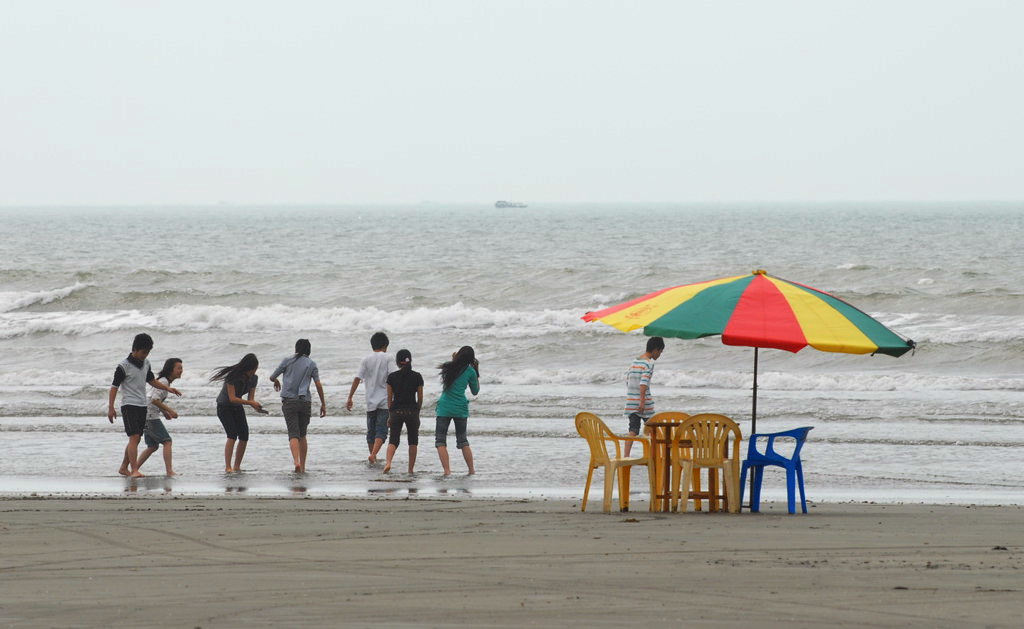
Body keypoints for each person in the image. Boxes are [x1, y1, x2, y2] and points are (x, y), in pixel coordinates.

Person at [107, 333, 181, 478]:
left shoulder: (146, 363)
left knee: (137, 438)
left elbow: (152, 381)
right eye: (143, 352)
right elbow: (114, 387)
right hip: (129, 405)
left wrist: (168, 389)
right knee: (134, 437)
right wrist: (111, 407)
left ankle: (124, 468)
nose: (145, 355)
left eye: (147, 352)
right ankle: (134, 470)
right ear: (134, 349)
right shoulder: (123, 366)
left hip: (142, 405)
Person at [269, 339, 326, 473]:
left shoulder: (287, 360)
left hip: (289, 401)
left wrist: (276, 380)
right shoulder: (312, 364)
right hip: (305, 401)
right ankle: (303, 466)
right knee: (303, 435)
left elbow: (272, 376)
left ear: (296, 349)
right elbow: (318, 384)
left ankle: (296, 462)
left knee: (293, 434)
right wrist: (323, 404)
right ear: (309, 350)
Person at [346, 332, 397, 464]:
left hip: (370, 401)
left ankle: (372, 456)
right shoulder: (388, 357)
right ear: (385, 345)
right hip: (385, 400)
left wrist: (350, 397)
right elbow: (394, 377)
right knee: (382, 431)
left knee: (371, 432)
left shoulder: (366, 359)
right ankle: (374, 454)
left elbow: (358, 378)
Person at [210, 353, 263, 473]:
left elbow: (250, 399)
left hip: (237, 406)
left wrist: (256, 406)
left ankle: (237, 466)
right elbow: (232, 398)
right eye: (255, 368)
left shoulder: (254, 378)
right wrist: (251, 403)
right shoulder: (232, 376)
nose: (255, 370)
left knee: (244, 435)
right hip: (224, 406)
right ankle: (228, 466)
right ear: (248, 367)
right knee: (232, 435)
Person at [434, 346, 480, 476]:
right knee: (462, 440)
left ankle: (447, 470)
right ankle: (471, 470)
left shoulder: (448, 367)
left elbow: (450, 375)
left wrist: (453, 359)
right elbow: (475, 391)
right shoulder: (470, 371)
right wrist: (476, 371)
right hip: (460, 407)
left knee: (440, 440)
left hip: (444, 407)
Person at [137, 357, 183, 476]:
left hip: (147, 414)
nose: (181, 370)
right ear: (170, 370)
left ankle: (134, 468)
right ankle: (169, 471)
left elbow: (152, 399)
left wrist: (164, 412)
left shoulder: (163, 381)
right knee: (167, 441)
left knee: (152, 446)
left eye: (181, 368)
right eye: (178, 368)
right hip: (150, 416)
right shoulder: (163, 382)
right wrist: (170, 411)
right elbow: (154, 400)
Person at [623, 336, 665, 457]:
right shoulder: (648, 364)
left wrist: (633, 397)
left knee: (633, 430)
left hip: (631, 401)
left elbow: (627, 380)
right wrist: (641, 402)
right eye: (660, 352)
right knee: (654, 429)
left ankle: (626, 456)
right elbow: (643, 383)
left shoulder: (634, 361)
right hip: (644, 403)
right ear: (656, 350)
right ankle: (656, 456)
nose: (660, 355)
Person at [384, 349, 424, 474]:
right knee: (413, 441)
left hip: (396, 412)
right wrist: (417, 411)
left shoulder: (391, 377)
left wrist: (390, 414)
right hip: (412, 411)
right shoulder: (417, 376)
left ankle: (388, 462)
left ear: (397, 362)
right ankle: (410, 469)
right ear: (410, 360)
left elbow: (389, 398)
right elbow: (420, 398)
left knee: (393, 440)